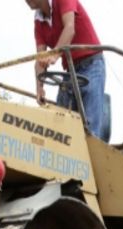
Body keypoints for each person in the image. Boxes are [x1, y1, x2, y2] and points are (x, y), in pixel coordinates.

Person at [25, 0, 109, 141]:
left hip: (92, 63)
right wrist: (39, 88)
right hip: (70, 70)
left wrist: (55, 54)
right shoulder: (39, 22)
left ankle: (92, 152)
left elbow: (69, 28)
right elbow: (40, 59)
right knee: (59, 127)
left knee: (91, 127)